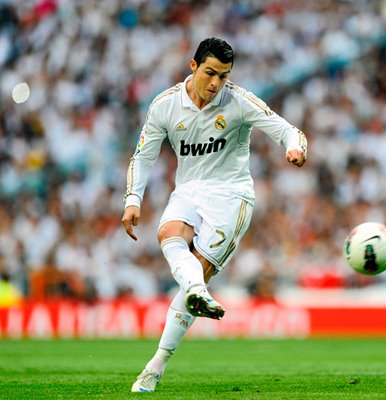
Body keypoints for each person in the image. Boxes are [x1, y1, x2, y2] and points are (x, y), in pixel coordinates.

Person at [121, 37, 307, 393]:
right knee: (167, 233)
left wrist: (295, 147)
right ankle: (195, 291)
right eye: (210, 73)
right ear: (192, 66)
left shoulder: (238, 101)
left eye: (223, 76)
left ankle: (155, 365)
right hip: (188, 189)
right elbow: (143, 156)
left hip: (231, 196)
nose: (216, 83)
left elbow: (285, 129)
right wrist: (133, 199)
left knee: (197, 271)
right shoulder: (164, 106)